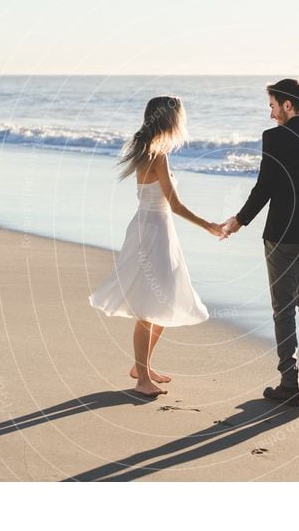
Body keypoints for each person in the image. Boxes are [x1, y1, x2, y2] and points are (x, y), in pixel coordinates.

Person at [222, 79, 299, 406]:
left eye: (273, 106)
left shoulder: (275, 139)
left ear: (288, 105)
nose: (271, 114)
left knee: (283, 308)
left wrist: (239, 220)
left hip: (282, 236)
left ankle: (289, 383)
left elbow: (265, 187)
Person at [89, 96, 223, 397]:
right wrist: (208, 225)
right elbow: (174, 204)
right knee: (149, 306)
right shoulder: (157, 155)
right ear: (169, 119)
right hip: (153, 232)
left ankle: (143, 368)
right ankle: (141, 379)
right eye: (179, 116)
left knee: (164, 302)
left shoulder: (147, 150)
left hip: (154, 229)